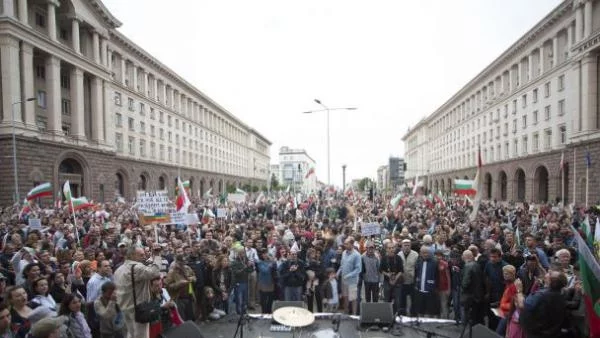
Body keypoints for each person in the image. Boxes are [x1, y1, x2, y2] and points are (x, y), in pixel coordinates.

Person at [113, 246, 160, 338]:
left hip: (125, 308)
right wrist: (157, 256)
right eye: (141, 255)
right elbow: (155, 273)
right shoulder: (136, 267)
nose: (144, 256)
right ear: (132, 256)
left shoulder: (118, 270)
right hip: (138, 309)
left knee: (131, 334)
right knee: (141, 336)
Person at [516, 269, 568, 338]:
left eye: (550, 274)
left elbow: (522, 305)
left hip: (535, 333)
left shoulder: (540, 295)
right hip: (550, 333)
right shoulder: (561, 294)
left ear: (550, 281)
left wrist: (519, 290)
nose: (548, 273)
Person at [164, 255, 196, 321]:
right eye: (181, 263)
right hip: (179, 298)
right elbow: (167, 286)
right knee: (182, 319)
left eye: (184, 262)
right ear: (176, 262)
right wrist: (178, 284)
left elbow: (194, 277)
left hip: (189, 296)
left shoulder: (187, 268)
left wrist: (192, 279)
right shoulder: (172, 272)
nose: (183, 264)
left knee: (190, 317)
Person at [338, 238, 361, 315]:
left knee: (353, 299)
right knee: (345, 297)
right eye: (344, 243)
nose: (345, 245)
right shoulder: (344, 252)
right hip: (344, 281)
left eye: (346, 244)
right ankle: (346, 313)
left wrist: (349, 275)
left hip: (352, 281)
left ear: (352, 244)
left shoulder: (357, 255)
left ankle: (354, 315)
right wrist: (337, 274)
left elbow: (358, 269)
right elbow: (342, 265)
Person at [414, 245, 439, 317]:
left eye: (426, 253)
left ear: (430, 253)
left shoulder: (435, 262)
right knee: (420, 309)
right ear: (420, 253)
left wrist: (435, 287)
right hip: (420, 289)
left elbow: (437, 276)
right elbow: (416, 274)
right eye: (423, 253)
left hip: (430, 290)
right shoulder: (419, 261)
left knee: (431, 310)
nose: (424, 254)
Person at [460, 250, 484, 326]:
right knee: (476, 317)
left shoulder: (467, 266)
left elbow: (465, 283)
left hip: (470, 296)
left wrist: (462, 288)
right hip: (478, 295)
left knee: (470, 317)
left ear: (465, 257)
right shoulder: (477, 264)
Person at [380, 243, 403, 314]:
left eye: (392, 248)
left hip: (397, 282)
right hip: (387, 281)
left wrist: (395, 278)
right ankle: (387, 315)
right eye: (389, 248)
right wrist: (388, 275)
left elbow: (401, 271)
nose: (391, 249)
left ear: (395, 248)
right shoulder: (384, 258)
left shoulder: (398, 258)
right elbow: (381, 270)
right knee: (386, 300)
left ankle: (396, 314)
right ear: (386, 249)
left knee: (397, 300)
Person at [398, 239, 418, 316]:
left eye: (408, 245)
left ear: (410, 246)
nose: (406, 247)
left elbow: (417, 268)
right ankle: (402, 315)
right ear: (402, 246)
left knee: (414, 300)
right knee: (402, 300)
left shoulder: (415, 254)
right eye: (405, 245)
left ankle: (413, 315)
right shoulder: (399, 254)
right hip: (402, 281)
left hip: (412, 281)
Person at [256, 249, 276, 313]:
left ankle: (269, 311)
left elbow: (276, 268)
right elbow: (264, 270)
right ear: (261, 255)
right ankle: (264, 312)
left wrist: (272, 261)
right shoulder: (259, 262)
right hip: (263, 283)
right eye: (264, 254)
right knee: (263, 299)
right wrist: (270, 265)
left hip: (271, 282)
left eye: (266, 253)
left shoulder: (272, 262)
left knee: (270, 298)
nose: (265, 255)